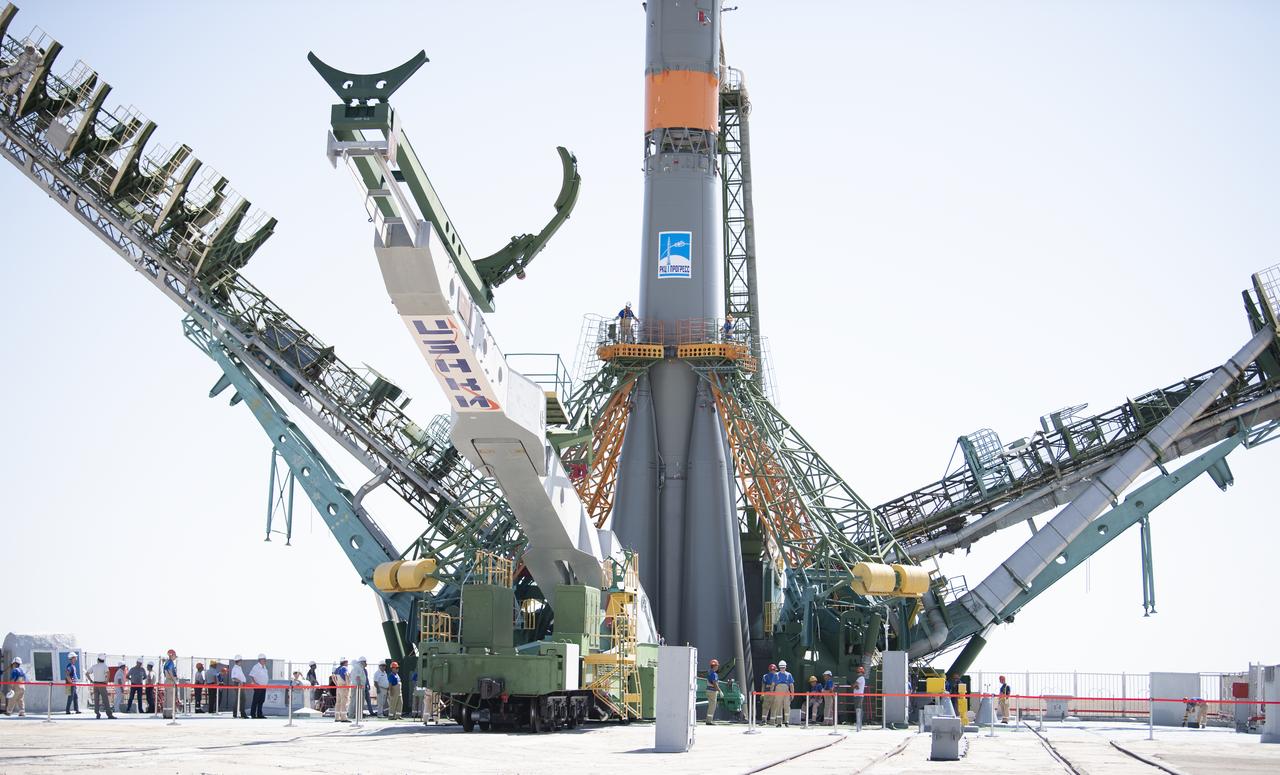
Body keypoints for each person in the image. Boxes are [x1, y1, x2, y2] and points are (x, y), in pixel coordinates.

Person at [87, 654, 116, 719]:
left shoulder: (94, 666)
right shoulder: (104, 666)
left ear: (98, 660)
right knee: (105, 699)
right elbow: (108, 673)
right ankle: (109, 714)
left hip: (95, 684)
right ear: (103, 660)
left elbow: (87, 673)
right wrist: (107, 681)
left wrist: (91, 680)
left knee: (96, 700)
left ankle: (97, 713)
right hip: (102, 684)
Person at [248, 654, 269, 719]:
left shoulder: (264, 667)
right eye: (264, 659)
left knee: (261, 700)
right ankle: (253, 714)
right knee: (256, 701)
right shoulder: (256, 666)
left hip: (264, 686)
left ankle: (260, 714)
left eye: (265, 659)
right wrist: (255, 683)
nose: (265, 660)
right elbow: (251, 675)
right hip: (258, 686)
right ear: (260, 660)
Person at [775, 660, 794, 727]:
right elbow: (773, 684)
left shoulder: (788, 674)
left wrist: (792, 694)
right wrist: (792, 694)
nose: (782, 668)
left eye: (783, 667)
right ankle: (781, 723)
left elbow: (791, 685)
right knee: (781, 706)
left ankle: (784, 722)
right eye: (781, 667)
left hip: (783, 690)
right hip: (781, 690)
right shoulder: (777, 675)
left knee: (784, 706)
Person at [162, 649, 179, 719]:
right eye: (174, 655)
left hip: (167, 681)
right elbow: (170, 672)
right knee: (170, 698)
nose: (175, 657)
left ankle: (165, 713)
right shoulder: (171, 663)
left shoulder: (166, 662)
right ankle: (170, 714)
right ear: (172, 655)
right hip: (170, 681)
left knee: (166, 698)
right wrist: (175, 681)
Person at [333, 658, 350, 723]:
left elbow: (333, 677)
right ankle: (344, 717)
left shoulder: (337, 669)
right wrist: (348, 686)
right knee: (344, 702)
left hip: (338, 687)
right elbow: (347, 676)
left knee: (338, 703)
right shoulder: (344, 668)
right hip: (344, 687)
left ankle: (337, 717)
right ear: (345, 662)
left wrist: (336, 684)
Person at [705, 658, 720, 724]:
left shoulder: (709, 672)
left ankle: (708, 720)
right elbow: (715, 683)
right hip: (712, 691)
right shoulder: (714, 674)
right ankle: (709, 721)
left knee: (710, 706)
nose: (717, 667)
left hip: (708, 690)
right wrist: (719, 690)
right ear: (714, 666)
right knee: (712, 706)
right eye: (717, 666)